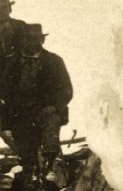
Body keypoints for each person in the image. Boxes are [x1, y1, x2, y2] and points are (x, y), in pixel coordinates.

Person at [6, 23, 73, 180]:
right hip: (22, 116)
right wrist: (2, 105)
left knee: (49, 151)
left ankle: (51, 168)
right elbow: (3, 89)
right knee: (27, 160)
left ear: (42, 40)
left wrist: (54, 106)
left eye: (37, 39)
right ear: (24, 41)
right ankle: (30, 179)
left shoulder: (54, 61)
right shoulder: (14, 63)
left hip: (46, 113)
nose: (33, 43)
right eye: (29, 39)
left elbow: (66, 90)